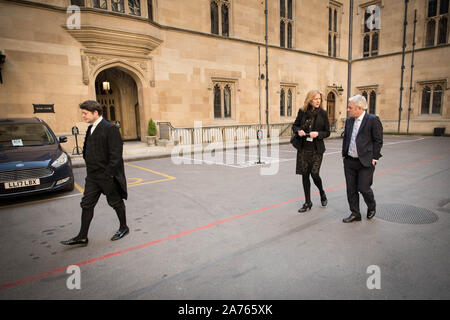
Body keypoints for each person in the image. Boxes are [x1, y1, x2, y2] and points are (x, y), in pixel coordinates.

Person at [61, 100, 129, 246]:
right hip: (92, 176)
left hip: (106, 176)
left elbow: (116, 155)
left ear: (95, 113)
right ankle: (82, 236)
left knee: (116, 202)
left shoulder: (110, 128)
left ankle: (124, 227)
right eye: (83, 113)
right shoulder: (91, 128)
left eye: (85, 113)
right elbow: (87, 150)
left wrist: (109, 174)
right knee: (86, 204)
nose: (83, 116)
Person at [342, 94, 383, 223]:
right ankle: (355, 213)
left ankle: (371, 206)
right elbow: (346, 138)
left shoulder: (372, 120)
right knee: (351, 189)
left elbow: (378, 140)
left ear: (359, 108)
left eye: (350, 107)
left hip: (365, 161)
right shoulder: (349, 121)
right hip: (349, 161)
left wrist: (375, 158)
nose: (348, 110)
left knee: (364, 188)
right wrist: (344, 154)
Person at [292, 90, 330, 213]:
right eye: (315, 99)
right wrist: (298, 131)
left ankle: (322, 193)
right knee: (305, 175)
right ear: (310, 100)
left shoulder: (323, 113)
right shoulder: (302, 112)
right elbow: (295, 125)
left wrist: (318, 134)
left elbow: (327, 132)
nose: (318, 101)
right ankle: (308, 202)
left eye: (319, 99)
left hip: (317, 150)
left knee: (314, 174)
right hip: (303, 149)